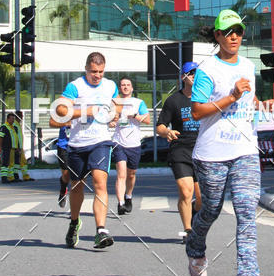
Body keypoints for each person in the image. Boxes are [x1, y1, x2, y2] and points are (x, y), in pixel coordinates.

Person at [186, 9, 265, 276]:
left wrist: (260, 104)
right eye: (228, 31)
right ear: (217, 36)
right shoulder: (208, 70)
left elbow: (249, 98)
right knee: (211, 210)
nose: (234, 36)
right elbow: (197, 111)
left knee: (246, 211)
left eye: (239, 31)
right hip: (212, 154)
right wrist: (231, 96)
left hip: (245, 150)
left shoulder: (247, 65)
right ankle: (195, 246)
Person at [49, 52, 119, 249]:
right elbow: (60, 111)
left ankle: (101, 230)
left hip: (101, 141)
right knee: (77, 186)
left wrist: (114, 116)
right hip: (78, 143)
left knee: (100, 182)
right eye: (94, 72)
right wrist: (85, 111)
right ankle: (74, 222)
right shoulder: (75, 86)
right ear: (86, 69)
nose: (97, 75)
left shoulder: (110, 86)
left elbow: (115, 105)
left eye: (101, 72)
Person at [157, 61, 202, 242]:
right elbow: (159, 126)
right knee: (185, 191)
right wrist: (167, 131)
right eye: (190, 73)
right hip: (180, 151)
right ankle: (188, 230)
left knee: (203, 200)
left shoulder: (205, 98)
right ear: (183, 77)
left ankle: (192, 212)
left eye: (196, 72)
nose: (193, 75)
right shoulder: (173, 100)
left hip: (202, 152)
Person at [112, 78, 150, 215]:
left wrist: (134, 115)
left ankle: (128, 196)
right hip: (118, 142)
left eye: (128, 85)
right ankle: (121, 203)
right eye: (123, 85)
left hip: (134, 143)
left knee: (131, 174)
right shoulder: (115, 103)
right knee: (121, 173)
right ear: (120, 88)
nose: (126, 87)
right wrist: (112, 121)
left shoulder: (138, 102)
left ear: (132, 88)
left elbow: (147, 120)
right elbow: (109, 121)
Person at [11, 111, 34, 181]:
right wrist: (17, 147)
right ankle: (15, 176)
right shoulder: (15, 125)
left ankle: (25, 176)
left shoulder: (17, 125)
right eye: (21, 116)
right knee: (16, 162)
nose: (22, 117)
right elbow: (15, 137)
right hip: (17, 147)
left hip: (20, 147)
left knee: (22, 162)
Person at [0, 113, 17, 183]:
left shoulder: (13, 127)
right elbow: (0, 137)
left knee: (10, 163)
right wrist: (0, 146)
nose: (13, 120)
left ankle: (10, 177)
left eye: (13, 119)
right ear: (8, 119)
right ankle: (4, 178)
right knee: (5, 163)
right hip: (5, 147)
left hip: (12, 148)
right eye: (11, 119)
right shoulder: (4, 127)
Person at [56, 123, 70, 209]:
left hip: (79, 145)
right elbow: (53, 122)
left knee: (76, 178)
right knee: (66, 175)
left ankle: (75, 211)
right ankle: (63, 191)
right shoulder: (64, 110)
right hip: (63, 146)